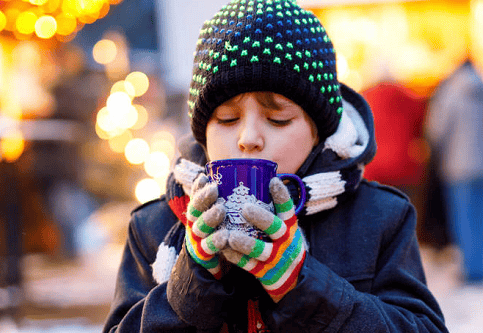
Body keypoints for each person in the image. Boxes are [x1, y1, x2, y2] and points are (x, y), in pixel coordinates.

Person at [103, 1, 447, 332]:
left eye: (277, 119)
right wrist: (190, 287)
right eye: (227, 118)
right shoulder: (154, 226)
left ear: (318, 131)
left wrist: (305, 288)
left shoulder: (379, 217)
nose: (248, 137)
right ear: (202, 132)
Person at [425, 59, 483, 284]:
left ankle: (471, 267)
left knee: (464, 218)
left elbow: (437, 129)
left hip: (459, 165)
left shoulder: (451, 91)